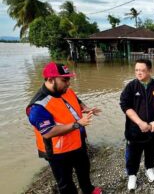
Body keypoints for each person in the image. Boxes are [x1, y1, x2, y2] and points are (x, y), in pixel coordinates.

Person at [26, 62, 102, 194]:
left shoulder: (65, 90)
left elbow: (77, 101)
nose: (68, 83)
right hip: (58, 151)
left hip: (77, 142)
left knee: (84, 169)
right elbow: (48, 132)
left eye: (69, 79)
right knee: (65, 182)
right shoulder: (38, 106)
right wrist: (78, 124)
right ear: (50, 80)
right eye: (64, 80)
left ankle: (88, 189)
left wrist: (87, 109)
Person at [119, 59, 154, 191]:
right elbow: (125, 106)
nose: (139, 73)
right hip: (135, 130)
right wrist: (140, 123)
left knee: (152, 151)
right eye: (136, 70)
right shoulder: (131, 86)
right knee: (133, 154)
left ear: (149, 70)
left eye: (142, 70)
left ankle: (150, 169)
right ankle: (132, 175)